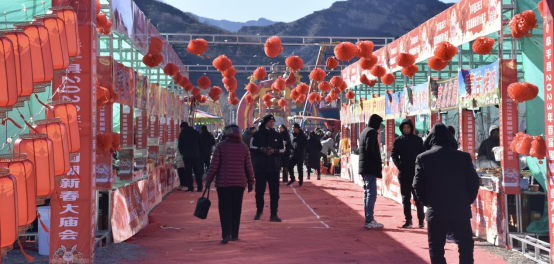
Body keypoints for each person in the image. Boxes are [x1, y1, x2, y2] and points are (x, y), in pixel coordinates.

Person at [413, 123, 480, 264]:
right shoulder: (463, 157)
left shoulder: (423, 158)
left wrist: (429, 202)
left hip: (436, 210)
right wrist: (466, 201)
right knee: (465, 245)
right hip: (460, 209)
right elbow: (474, 183)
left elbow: (417, 186)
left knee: (436, 247)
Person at [205, 125, 255, 244]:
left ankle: (226, 234)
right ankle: (235, 234)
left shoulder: (221, 146)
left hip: (224, 184)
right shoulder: (244, 147)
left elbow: (214, 165)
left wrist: (208, 180)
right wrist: (251, 181)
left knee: (224, 209)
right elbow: (249, 167)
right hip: (239, 184)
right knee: (236, 209)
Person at [391, 118, 425, 229]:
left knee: (418, 198)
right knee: (405, 198)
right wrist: (400, 165)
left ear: (411, 128)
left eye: (408, 127)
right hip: (404, 173)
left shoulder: (418, 140)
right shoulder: (398, 141)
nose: (406, 129)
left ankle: (421, 220)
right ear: (401, 129)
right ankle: (408, 220)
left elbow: (423, 155)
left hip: (416, 174)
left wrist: (420, 168)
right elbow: (394, 155)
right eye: (404, 128)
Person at [250, 114, 284, 222]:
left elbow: (283, 149)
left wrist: (274, 151)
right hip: (260, 168)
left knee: (275, 192)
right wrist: (262, 149)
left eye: (273, 122)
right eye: (270, 122)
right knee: (259, 191)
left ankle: (274, 214)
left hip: (274, 168)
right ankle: (259, 211)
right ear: (265, 123)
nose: (272, 124)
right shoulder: (257, 135)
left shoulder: (278, 135)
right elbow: (251, 147)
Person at [359, 114, 384, 229]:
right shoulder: (372, 132)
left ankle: (368, 218)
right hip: (369, 167)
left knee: (367, 193)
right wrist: (377, 160)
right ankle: (369, 220)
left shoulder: (364, 131)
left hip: (364, 167)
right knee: (371, 194)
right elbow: (370, 149)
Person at [178, 122, 203, 192]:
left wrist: (182, 152)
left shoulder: (182, 134)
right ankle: (200, 187)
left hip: (186, 155)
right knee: (197, 171)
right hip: (195, 154)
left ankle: (190, 187)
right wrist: (197, 150)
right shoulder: (196, 133)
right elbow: (200, 143)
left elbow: (180, 145)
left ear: (182, 127)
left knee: (188, 172)